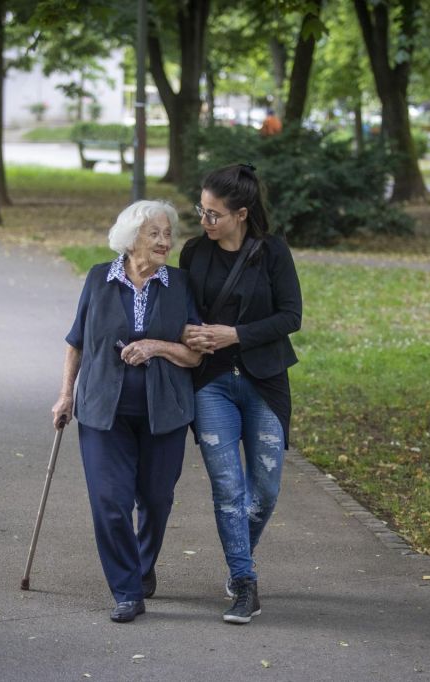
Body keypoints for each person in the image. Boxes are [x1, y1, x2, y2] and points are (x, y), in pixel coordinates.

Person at [51, 200, 201, 624]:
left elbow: (195, 355)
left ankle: (141, 562)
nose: (165, 242)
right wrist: (66, 394)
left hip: (165, 412)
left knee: (155, 499)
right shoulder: (99, 278)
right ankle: (126, 588)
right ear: (131, 236)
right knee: (110, 500)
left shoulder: (180, 285)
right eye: (155, 233)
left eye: (168, 234)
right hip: (103, 410)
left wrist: (158, 346)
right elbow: (76, 341)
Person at [179, 163, 303, 624]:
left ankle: (238, 556)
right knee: (228, 488)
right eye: (202, 210)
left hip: (264, 382)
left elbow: (291, 316)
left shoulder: (273, 253)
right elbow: (185, 308)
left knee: (265, 490)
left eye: (213, 214)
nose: (204, 221)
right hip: (211, 384)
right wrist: (189, 332)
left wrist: (236, 335)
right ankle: (244, 582)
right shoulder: (194, 252)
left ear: (242, 214)